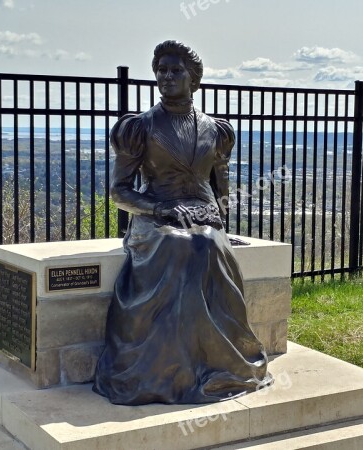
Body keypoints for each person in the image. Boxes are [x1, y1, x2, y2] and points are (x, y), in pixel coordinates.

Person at [93, 40, 273, 405]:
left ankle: (218, 363)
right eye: (161, 70)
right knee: (181, 244)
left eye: (176, 71)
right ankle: (167, 371)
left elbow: (220, 184)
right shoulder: (139, 127)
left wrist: (218, 221)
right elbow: (119, 192)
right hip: (156, 216)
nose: (166, 76)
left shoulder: (216, 130)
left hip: (204, 217)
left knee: (207, 242)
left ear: (193, 79)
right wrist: (160, 211)